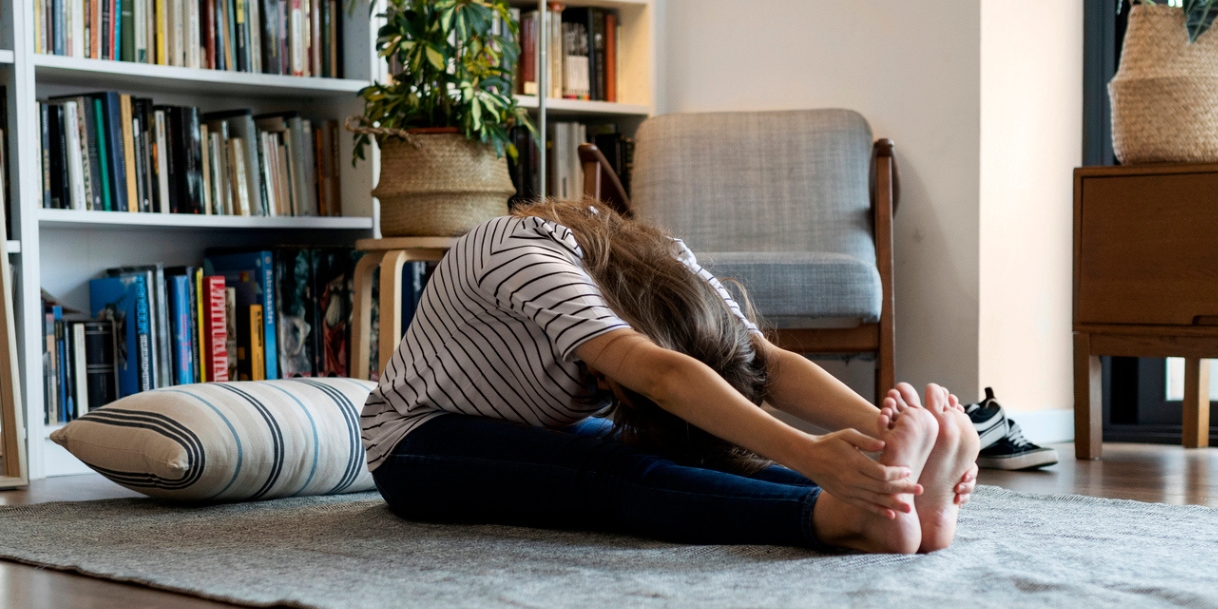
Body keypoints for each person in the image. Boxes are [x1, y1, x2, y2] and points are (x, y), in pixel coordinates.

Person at [361, 200, 979, 554]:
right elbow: (659, 376)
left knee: (708, 455)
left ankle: (896, 497)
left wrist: (883, 442)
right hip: (420, 445)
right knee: (613, 476)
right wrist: (811, 454)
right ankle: (841, 518)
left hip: (541, 428)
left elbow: (764, 363)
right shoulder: (521, 258)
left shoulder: (668, 265)